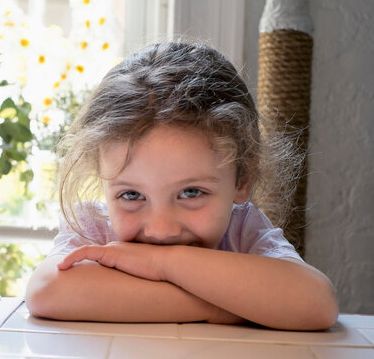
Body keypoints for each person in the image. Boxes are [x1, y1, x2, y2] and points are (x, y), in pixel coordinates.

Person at [26, 41, 338, 330]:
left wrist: (159, 263)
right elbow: (46, 291)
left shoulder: (243, 231)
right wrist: (217, 308)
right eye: (131, 195)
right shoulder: (93, 228)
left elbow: (317, 305)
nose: (161, 230)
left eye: (191, 192)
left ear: (242, 179)